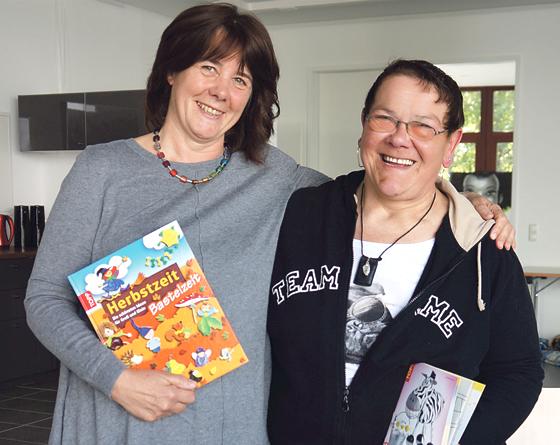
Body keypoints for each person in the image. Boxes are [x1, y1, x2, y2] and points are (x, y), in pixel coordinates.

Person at [24, 4, 514, 444]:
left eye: (241, 79)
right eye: (209, 66)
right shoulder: (101, 170)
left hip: (232, 427)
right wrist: (116, 379)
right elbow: (44, 298)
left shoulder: (278, 179)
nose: (221, 90)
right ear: (172, 69)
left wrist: (464, 199)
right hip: (120, 416)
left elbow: (385, 184)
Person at [267, 60, 542, 445]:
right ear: (364, 125)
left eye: (424, 126)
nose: (400, 138)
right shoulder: (300, 214)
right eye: (385, 119)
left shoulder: (483, 248)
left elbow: (519, 372)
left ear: (451, 144)